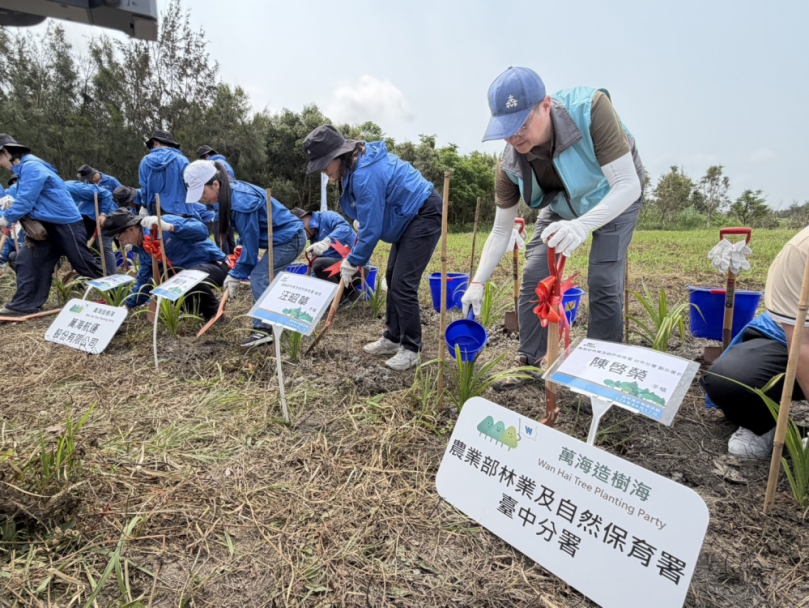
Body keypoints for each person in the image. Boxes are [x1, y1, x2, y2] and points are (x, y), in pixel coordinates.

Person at [462, 67, 644, 388]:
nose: (514, 136)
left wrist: (583, 226)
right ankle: (531, 360)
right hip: (562, 205)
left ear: (546, 105)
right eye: (506, 129)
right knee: (534, 273)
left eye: (521, 124)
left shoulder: (590, 111)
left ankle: (598, 379)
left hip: (613, 196)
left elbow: (628, 185)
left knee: (602, 278)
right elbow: (501, 231)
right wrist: (477, 282)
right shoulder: (511, 164)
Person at [303, 125, 442, 371]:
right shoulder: (353, 166)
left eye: (325, 163)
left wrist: (353, 260)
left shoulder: (364, 174)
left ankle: (411, 348)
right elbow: (370, 216)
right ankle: (392, 337)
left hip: (423, 213)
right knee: (392, 277)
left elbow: (372, 230)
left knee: (403, 283)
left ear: (340, 155)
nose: (324, 170)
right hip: (406, 217)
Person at [701, 227, 809, 459]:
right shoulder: (801, 252)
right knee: (728, 379)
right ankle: (764, 424)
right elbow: (803, 345)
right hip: (791, 339)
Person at [184, 160, 306, 346]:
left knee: (259, 276)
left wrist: (236, 275)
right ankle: (276, 320)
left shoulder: (240, 202)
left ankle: (263, 330)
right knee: (268, 279)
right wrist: (240, 247)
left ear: (216, 185)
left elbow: (251, 246)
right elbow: (248, 234)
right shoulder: (228, 194)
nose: (202, 199)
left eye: (202, 193)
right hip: (281, 238)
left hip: (290, 239)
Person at [0, 135, 102, 317]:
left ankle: (116, 296)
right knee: (28, 260)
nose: (0, 164)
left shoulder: (32, 167)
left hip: (65, 223)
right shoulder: (25, 170)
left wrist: (6, 217)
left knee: (82, 262)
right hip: (44, 226)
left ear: (7, 152)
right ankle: (23, 305)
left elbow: (26, 200)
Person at [101, 208, 228, 320]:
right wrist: (127, 306)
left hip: (213, 265)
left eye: (120, 238)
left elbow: (202, 231)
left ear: (131, 229)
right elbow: (145, 280)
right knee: (163, 278)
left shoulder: (161, 223)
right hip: (186, 273)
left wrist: (170, 227)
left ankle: (214, 313)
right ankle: (193, 312)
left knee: (187, 277)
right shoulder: (143, 249)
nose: (122, 242)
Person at [290, 207, 365, 306]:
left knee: (319, 264)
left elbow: (344, 228)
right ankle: (352, 294)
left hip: (357, 268)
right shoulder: (314, 238)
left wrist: (327, 242)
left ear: (303, 221)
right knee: (318, 266)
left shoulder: (328, 216)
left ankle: (339, 302)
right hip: (341, 272)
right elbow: (315, 269)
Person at [139, 130, 200, 219]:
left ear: (155, 143)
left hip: (156, 210)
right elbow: (191, 185)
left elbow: (144, 188)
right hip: (181, 209)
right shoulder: (182, 160)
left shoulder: (145, 161)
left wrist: (144, 206)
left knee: (160, 233)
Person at [65, 180, 118, 275]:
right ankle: (93, 275)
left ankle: (112, 278)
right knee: (88, 247)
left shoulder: (71, 188)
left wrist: (103, 214)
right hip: (88, 217)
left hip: (106, 216)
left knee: (104, 246)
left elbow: (106, 194)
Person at [196, 145, 236, 252]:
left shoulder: (213, 166)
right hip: (232, 204)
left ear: (207, 155)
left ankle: (226, 264)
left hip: (221, 206)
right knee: (230, 238)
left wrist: (212, 206)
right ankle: (234, 261)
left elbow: (216, 188)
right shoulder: (226, 165)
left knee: (221, 239)